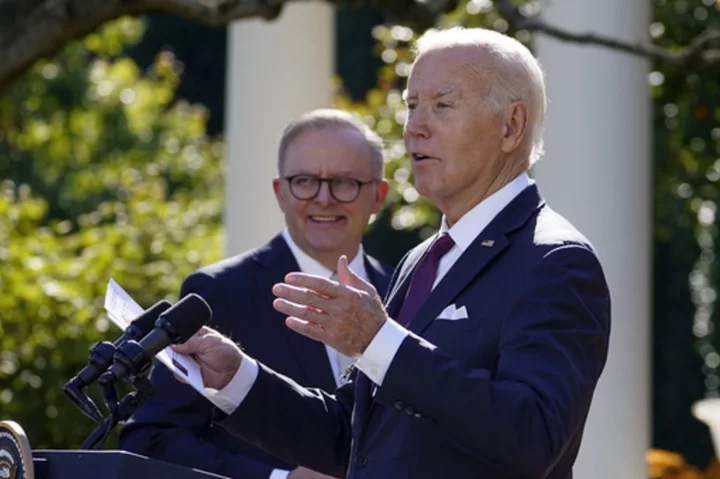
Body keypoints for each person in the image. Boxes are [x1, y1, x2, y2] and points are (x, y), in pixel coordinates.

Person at [173, 26, 611, 479]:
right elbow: (352, 438)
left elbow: (533, 437)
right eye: (412, 105)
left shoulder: (555, 260)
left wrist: (380, 342)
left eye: (443, 105)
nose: (416, 127)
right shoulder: (422, 259)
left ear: (511, 126)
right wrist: (236, 376)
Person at [119, 109, 392, 479]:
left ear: (378, 195)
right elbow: (150, 439)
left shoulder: (405, 291)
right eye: (305, 181)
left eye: (344, 182)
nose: (324, 198)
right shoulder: (220, 292)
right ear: (280, 193)